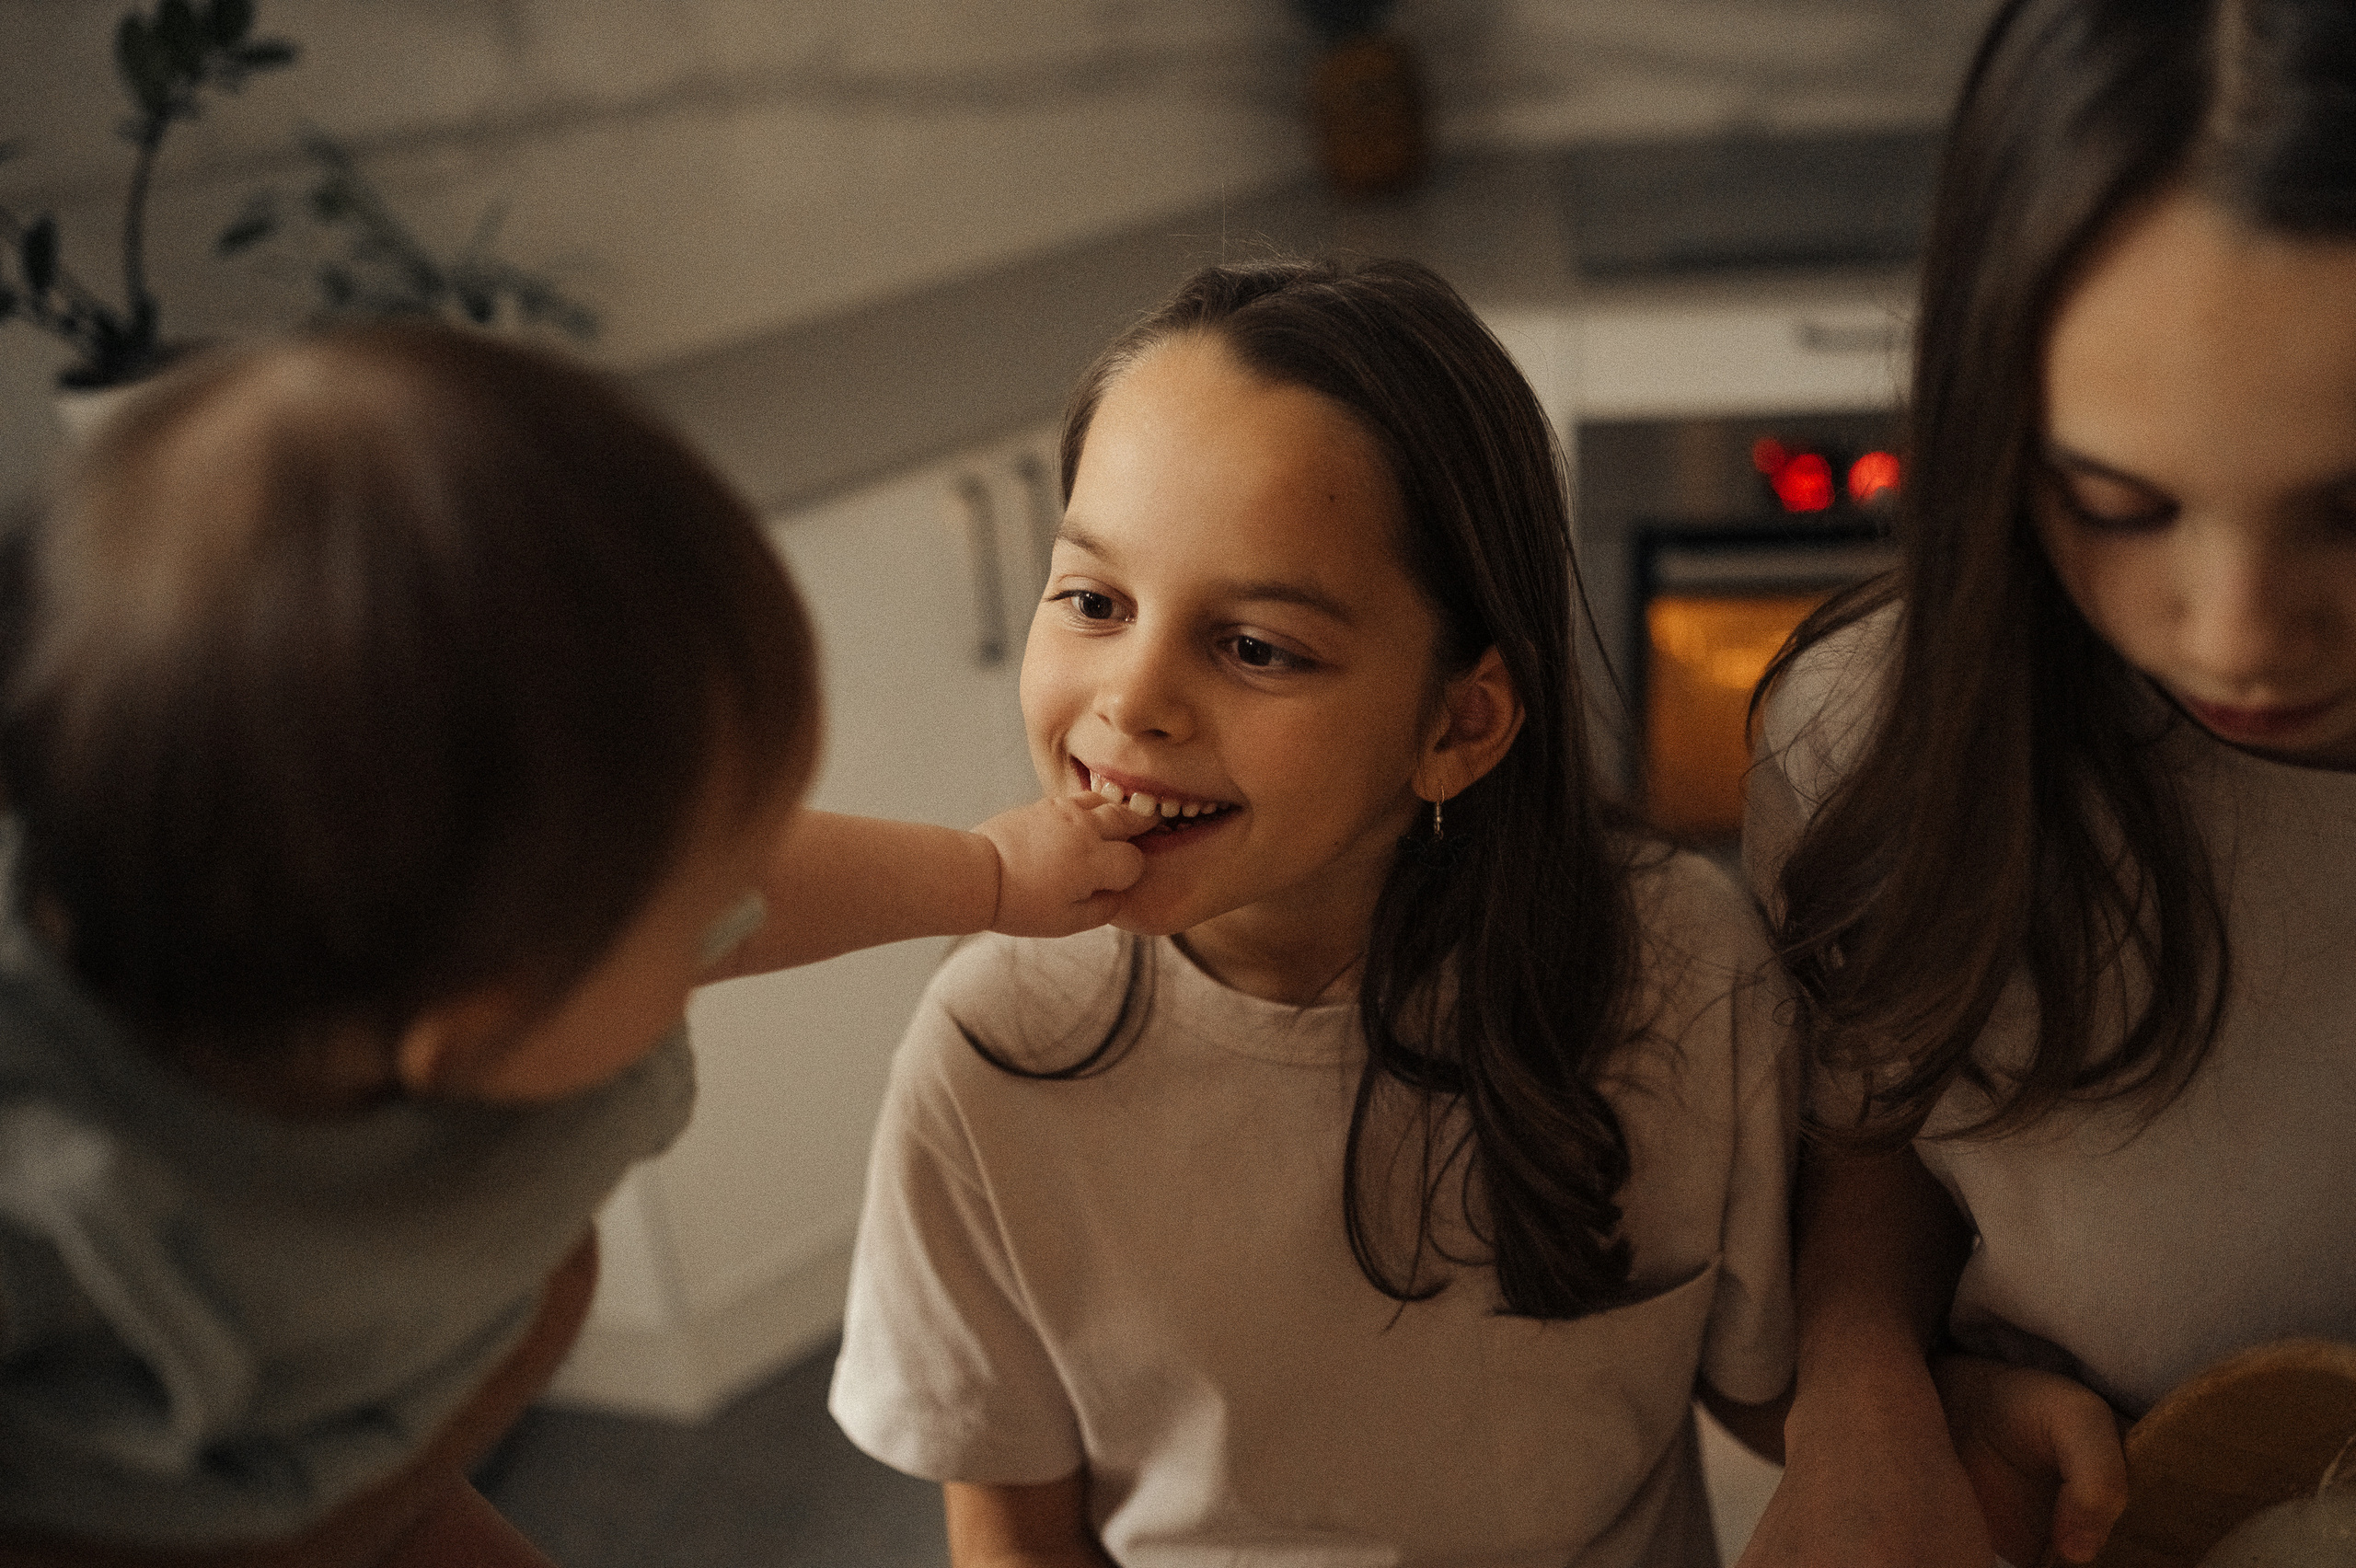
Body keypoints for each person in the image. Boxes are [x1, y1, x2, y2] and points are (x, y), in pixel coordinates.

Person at [0, 324, 1154, 1562]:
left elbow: (762, 884)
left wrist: (988, 874)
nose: (733, 915)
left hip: (375, 1440)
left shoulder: (477, 929)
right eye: (696, 917)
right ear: (477, 1029)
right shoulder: (59, 1209)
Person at [828, 258, 1798, 1568]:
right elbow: (1012, 1531)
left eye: (1255, 647)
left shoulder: (1683, 969)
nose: (1132, 701)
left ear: (1459, 726)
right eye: (1095, 602)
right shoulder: (990, 1052)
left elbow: (1789, 1398)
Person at [1736, 3, 2356, 1565]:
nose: (2240, 637)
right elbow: (1874, 1131)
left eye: (2353, 510)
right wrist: (1867, 1397)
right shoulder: (1864, 743)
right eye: (2118, 505)